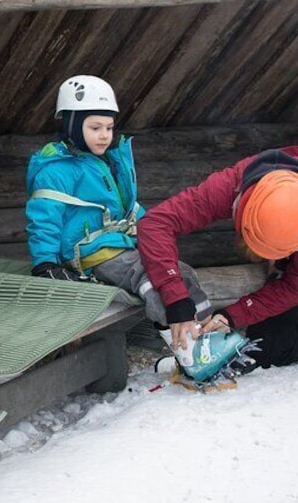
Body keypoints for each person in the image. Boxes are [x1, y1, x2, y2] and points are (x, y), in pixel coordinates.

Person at [25, 75, 247, 381]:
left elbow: (129, 209)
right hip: (92, 253)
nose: (104, 136)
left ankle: (206, 336)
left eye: (108, 127)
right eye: (94, 128)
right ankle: (185, 350)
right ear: (73, 125)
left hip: (122, 243)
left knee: (177, 271)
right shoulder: (57, 171)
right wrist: (45, 262)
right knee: (149, 278)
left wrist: (152, 232)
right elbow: (44, 218)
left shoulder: (107, 162)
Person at [137, 146, 298, 377]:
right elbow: (156, 223)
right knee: (267, 346)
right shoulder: (233, 185)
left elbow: (296, 287)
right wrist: (178, 299)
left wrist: (235, 313)